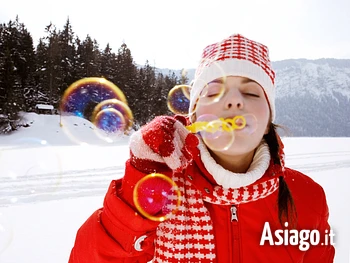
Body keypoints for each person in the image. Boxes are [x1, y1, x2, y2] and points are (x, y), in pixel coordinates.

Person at [68, 34, 335, 263]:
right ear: (194, 118)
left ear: (267, 123)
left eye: (252, 93)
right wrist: (140, 186)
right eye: (214, 92)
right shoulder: (161, 193)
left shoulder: (308, 198)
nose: (232, 101)